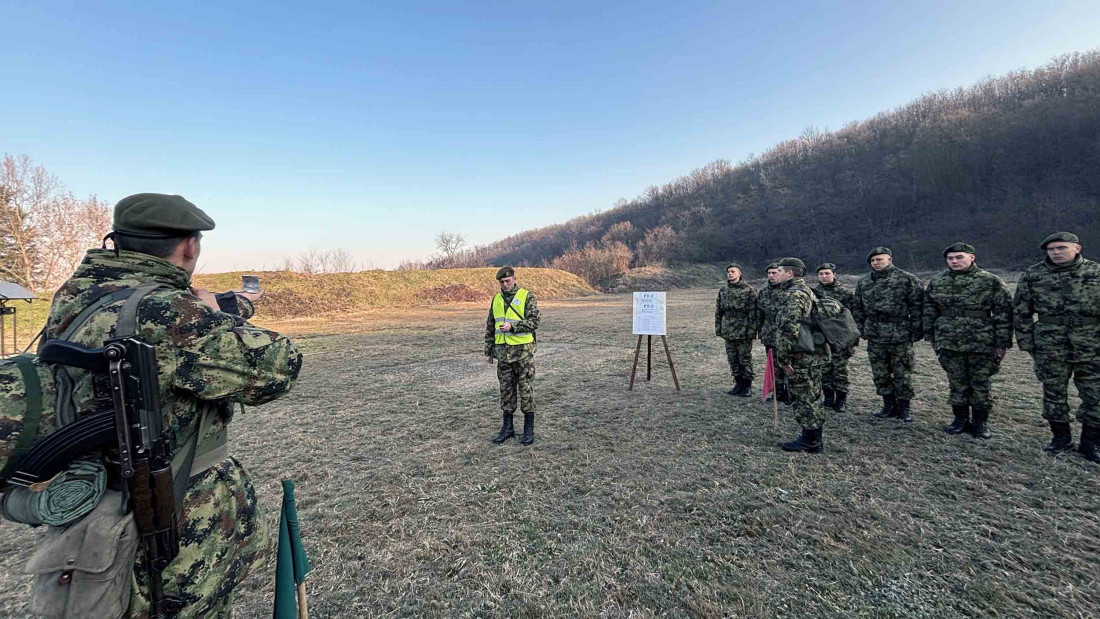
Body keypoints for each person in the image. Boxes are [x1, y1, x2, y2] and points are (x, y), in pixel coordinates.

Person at [42, 193, 303, 617]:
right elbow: (277, 369)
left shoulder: (74, 296)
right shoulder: (166, 310)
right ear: (188, 245)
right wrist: (219, 315)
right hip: (171, 519)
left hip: (90, 508)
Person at [1013, 232, 1100, 463]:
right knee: (1053, 394)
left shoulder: (1095, 272)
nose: (1056, 252)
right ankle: (1060, 438)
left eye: (1061, 247)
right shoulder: (1034, 275)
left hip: (1092, 344)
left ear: (1077, 248)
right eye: (1051, 249)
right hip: (1050, 344)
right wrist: (1027, 343)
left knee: (1095, 396)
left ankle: (1091, 443)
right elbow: (1021, 312)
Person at [923, 243, 1012, 439]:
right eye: (950, 258)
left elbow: (1003, 314)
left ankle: (980, 422)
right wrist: (932, 338)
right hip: (949, 341)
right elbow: (929, 311)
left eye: (959, 257)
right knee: (956, 382)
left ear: (971, 257)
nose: (954, 261)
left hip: (981, 341)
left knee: (980, 383)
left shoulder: (990, 281)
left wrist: (1001, 343)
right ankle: (960, 419)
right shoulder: (938, 281)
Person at [850, 246, 924, 422]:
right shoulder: (864, 282)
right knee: (880, 373)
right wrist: (862, 328)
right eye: (873, 261)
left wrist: (915, 332)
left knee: (902, 372)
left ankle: (904, 408)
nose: (875, 263)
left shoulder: (907, 279)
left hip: (900, 333)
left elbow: (918, 308)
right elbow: (858, 308)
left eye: (879, 260)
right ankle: (888, 406)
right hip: (875, 334)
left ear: (890, 259)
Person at [770, 258, 830, 452]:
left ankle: (811, 441)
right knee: (810, 395)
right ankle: (812, 438)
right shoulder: (803, 291)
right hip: (808, 353)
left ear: (790, 273)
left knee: (806, 397)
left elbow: (789, 329)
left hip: (801, 356)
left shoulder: (794, 294)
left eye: (779, 271)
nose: (775, 274)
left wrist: (784, 359)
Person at [484, 266, 541, 445]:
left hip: (523, 353)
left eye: (508, 281)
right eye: (502, 282)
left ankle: (528, 430)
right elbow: (490, 325)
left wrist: (514, 327)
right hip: (503, 355)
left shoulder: (526, 296)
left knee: (526, 391)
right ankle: (507, 428)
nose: (505, 284)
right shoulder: (496, 300)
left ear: (514, 279)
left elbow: (535, 321)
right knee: (506, 392)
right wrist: (489, 349)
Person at [813, 263, 856, 412]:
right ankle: (829, 398)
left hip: (840, 338)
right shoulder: (813, 293)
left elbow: (852, 317)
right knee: (824, 369)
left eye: (827, 273)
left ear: (834, 275)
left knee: (840, 370)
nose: (824, 277)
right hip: (821, 339)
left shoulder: (844, 293)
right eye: (821, 274)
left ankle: (841, 400)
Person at [715, 263, 758, 397]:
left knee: (744, 358)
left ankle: (747, 385)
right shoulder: (723, 290)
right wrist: (718, 328)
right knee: (732, 358)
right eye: (728, 271)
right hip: (728, 330)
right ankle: (738, 383)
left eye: (733, 271)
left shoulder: (749, 290)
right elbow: (719, 311)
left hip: (743, 330)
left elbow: (753, 313)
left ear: (739, 273)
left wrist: (752, 331)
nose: (730, 273)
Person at [756, 263, 790, 403]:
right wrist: (759, 331)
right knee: (773, 366)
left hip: (785, 335)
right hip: (769, 334)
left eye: (774, 272)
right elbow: (759, 314)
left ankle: (789, 393)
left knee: (787, 364)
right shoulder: (763, 292)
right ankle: (778, 392)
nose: (771, 275)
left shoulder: (789, 291)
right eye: (769, 273)